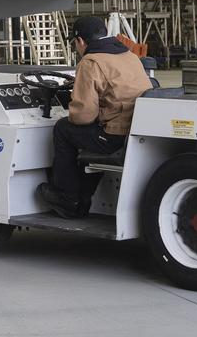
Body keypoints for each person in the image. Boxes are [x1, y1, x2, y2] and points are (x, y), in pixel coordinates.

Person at [39, 16, 152, 218]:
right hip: (135, 129)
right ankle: (82, 199)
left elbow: (83, 116)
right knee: (86, 135)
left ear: (80, 41)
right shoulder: (130, 56)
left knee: (64, 129)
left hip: (114, 135)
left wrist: (71, 110)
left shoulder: (90, 62)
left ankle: (67, 198)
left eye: (75, 44)